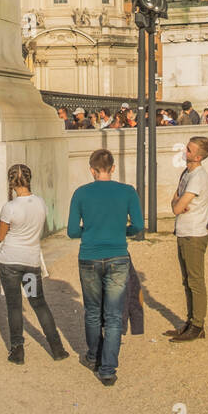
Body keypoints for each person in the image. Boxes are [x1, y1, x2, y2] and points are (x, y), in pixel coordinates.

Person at [67, 148, 144, 386]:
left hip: (89, 254)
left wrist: (89, 233)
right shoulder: (127, 191)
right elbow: (139, 225)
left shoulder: (80, 193)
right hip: (117, 255)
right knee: (113, 315)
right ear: (113, 168)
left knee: (92, 311)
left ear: (91, 170)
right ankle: (108, 368)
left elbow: (71, 231)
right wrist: (123, 231)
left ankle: (93, 356)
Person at [0, 163, 68, 365]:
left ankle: (17, 350)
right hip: (31, 261)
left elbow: (0, 236)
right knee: (39, 303)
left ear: (10, 183)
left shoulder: (9, 207)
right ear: (29, 179)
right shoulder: (41, 203)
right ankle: (57, 347)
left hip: (9, 261)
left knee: (14, 306)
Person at [167, 136, 208, 343]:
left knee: (195, 280)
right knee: (187, 280)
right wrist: (178, 202)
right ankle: (190, 320)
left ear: (198, 155)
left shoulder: (198, 177)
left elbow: (177, 207)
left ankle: (198, 324)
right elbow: (174, 202)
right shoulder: (186, 173)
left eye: (189, 149)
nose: (185, 152)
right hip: (183, 231)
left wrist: (178, 203)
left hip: (194, 233)